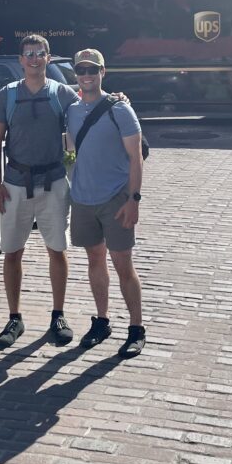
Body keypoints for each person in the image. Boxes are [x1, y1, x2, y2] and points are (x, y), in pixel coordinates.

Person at [0, 35, 79, 349]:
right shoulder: (7, 95)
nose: (35, 59)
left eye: (40, 53)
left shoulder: (61, 93)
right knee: (12, 252)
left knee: (57, 249)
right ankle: (15, 317)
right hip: (15, 182)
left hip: (53, 182)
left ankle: (58, 314)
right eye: (29, 54)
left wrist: (116, 98)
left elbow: (90, 106)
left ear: (48, 59)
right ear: (21, 61)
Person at [66, 48, 146, 358]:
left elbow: (136, 157)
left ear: (103, 72)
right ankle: (102, 321)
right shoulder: (71, 110)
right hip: (83, 199)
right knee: (95, 261)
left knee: (123, 264)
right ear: (76, 74)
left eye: (92, 69)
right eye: (81, 70)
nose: (86, 75)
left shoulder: (119, 109)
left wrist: (133, 199)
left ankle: (137, 327)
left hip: (115, 198)